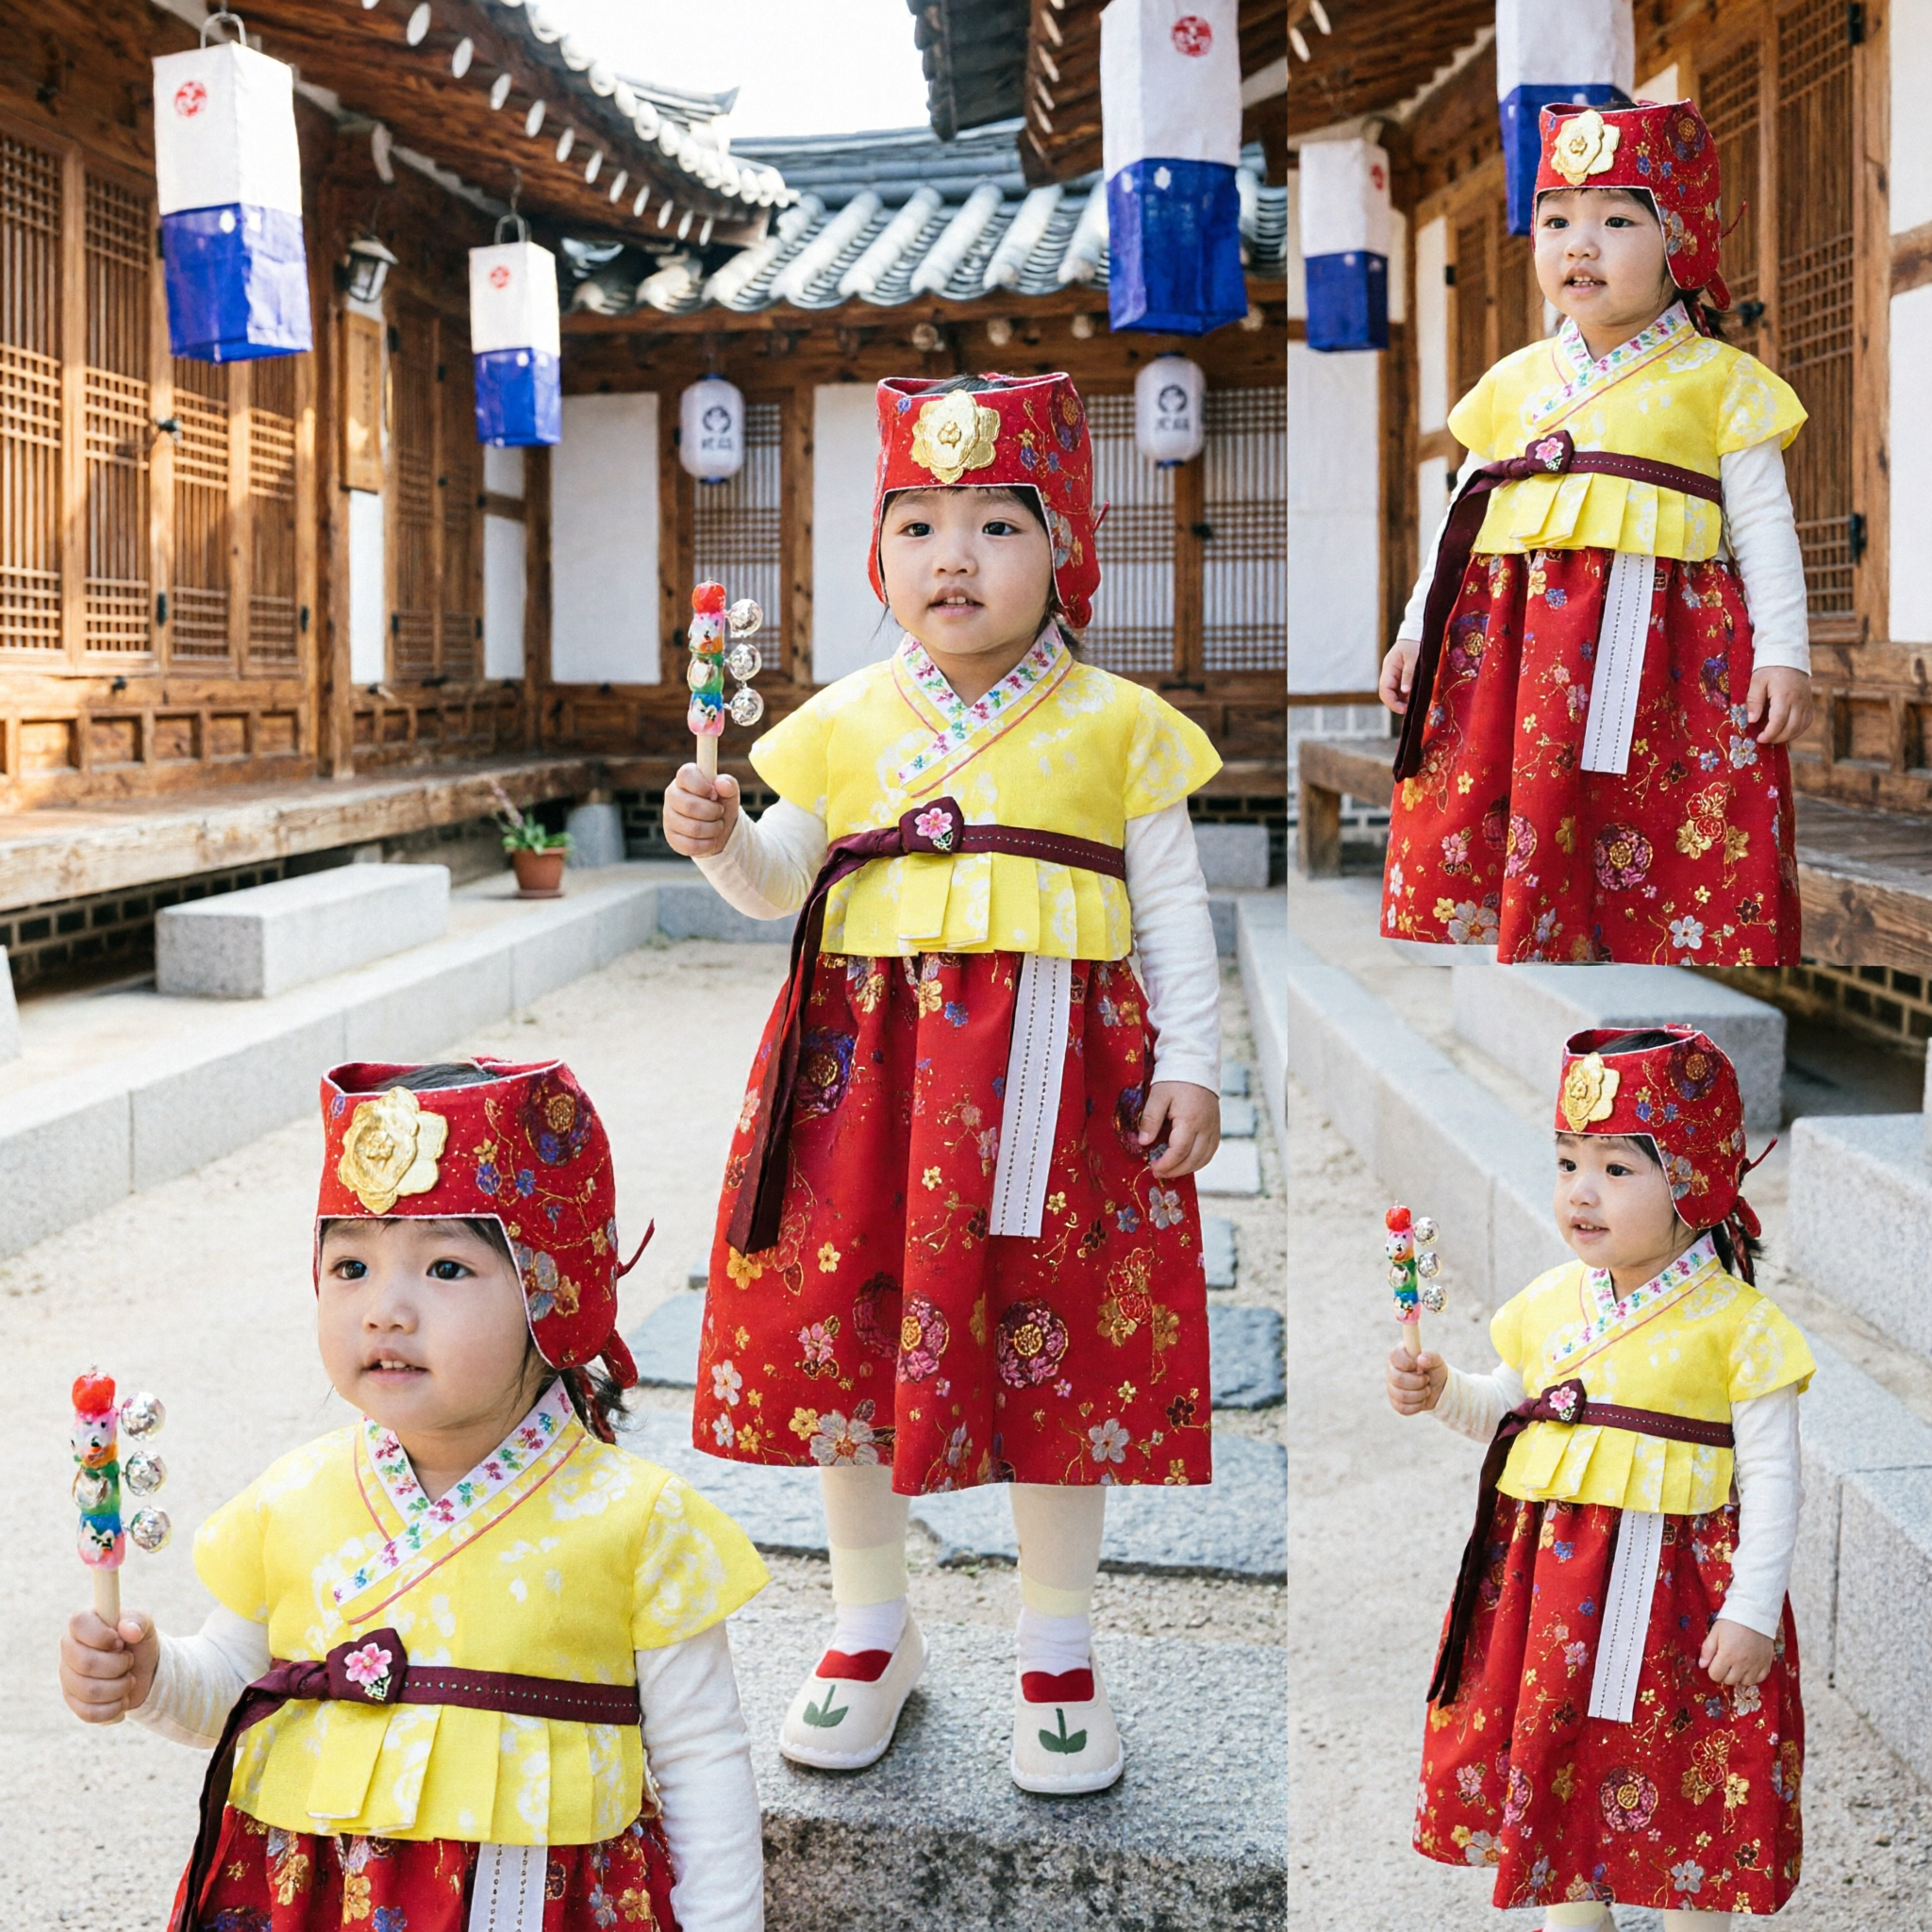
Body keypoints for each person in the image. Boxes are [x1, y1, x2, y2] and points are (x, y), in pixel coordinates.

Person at [660, 370, 1224, 1796]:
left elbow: (1174, 914)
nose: (952, 556)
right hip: (867, 1085)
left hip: (1055, 1089)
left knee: (1057, 1345)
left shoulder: (1118, 725)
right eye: (916, 525)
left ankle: (1057, 1646)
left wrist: (1199, 1064)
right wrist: (720, 839)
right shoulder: (841, 722)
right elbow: (778, 880)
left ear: (1065, 549)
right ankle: (869, 1627)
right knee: (847, 1339)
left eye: (995, 524)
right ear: (878, 555)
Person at [59, 1059, 768, 1932]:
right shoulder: (296, 1497)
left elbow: (703, 1760)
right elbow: (237, 1689)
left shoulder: (636, 1522)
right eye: (351, 1265)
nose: (384, 1310)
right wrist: (150, 1675)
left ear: (553, 1290)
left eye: (444, 1268)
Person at [1387, 1027, 1811, 1927]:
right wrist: (1443, 1393)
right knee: (1562, 1763)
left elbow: (1774, 1477)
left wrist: (1752, 1608)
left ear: (1694, 1179)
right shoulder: (1551, 1304)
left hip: (1687, 1605)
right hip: (1558, 1599)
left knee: (1690, 1782)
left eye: (1619, 1169)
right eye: (1568, 1161)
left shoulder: (1739, 1325)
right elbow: (1514, 1414)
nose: (1582, 1190)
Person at [1377, 99, 1812, 967]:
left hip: (1664, 646)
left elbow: (1764, 523)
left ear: (1679, 241)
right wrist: (1416, 631)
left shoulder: (1722, 380)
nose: (1580, 244)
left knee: (1651, 800)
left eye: (1617, 220)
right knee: (1520, 790)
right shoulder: (1512, 382)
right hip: (1516, 646)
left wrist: (1785, 652)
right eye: (1556, 221)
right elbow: (1462, 525)